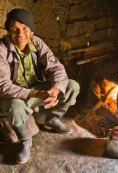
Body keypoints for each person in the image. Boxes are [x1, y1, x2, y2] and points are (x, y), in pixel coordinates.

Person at [0, 8, 80, 164]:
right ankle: (25, 140)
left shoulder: (37, 43)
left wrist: (56, 88)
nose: (20, 34)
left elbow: (56, 67)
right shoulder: (1, 49)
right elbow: (3, 85)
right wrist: (34, 94)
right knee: (15, 109)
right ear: (9, 32)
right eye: (14, 29)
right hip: (14, 95)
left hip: (37, 88)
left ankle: (52, 119)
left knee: (72, 86)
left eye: (25, 28)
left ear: (32, 32)